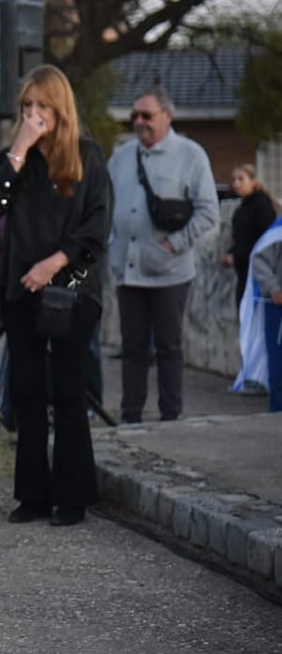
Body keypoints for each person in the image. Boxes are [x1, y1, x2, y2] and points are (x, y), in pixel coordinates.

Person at [0, 65, 112, 527]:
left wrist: (53, 264)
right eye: (26, 106)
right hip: (20, 289)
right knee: (26, 391)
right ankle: (32, 496)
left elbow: (97, 227)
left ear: (60, 109)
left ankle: (73, 496)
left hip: (72, 288)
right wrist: (19, 149)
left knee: (66, 389)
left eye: (42, 106)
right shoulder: (15, 162)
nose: (33, 114)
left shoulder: (88, 155)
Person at [107, 87, 220, 423]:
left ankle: (171, 417)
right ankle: (131, 417)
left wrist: (176, 243)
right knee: (132, 349)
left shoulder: (191, 155)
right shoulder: (122, 156)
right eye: (134, 116)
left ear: (166, 116)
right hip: (128, 269)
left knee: (169, 347)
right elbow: (106, 206)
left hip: (170, 271)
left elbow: (208, 212)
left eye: (147, 115)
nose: (139, 122)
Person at [236, 216, 282, 412]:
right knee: (278, 366)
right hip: (278, 307)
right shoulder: (277, 231)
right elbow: (260, 259)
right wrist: (273, 288)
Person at [221, 164, 277, 306]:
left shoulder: (262, 205)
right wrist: (231, 253)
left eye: (241, 179)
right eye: (233, 180)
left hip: (259, 273)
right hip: (244, 270)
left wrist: (236, 255)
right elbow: (241, 238)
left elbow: (263, 241)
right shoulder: (243, 206)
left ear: (253, 181)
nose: (236, 184)